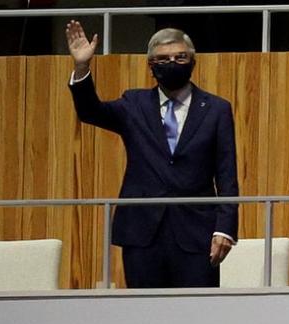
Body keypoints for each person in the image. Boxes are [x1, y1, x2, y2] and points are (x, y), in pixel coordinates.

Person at [66, 21, 239, 288]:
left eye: (180, 57)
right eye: (163, 59)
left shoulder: (216, 109)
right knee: (144, 316)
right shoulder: (133, 104)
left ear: (192, 61)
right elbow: (91, 112)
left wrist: (225, 227)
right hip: (142, 231)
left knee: (198, 318)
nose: (172, 62)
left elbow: (227, 173)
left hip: (197, 233)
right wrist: (82, 67)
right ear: (151, 66)